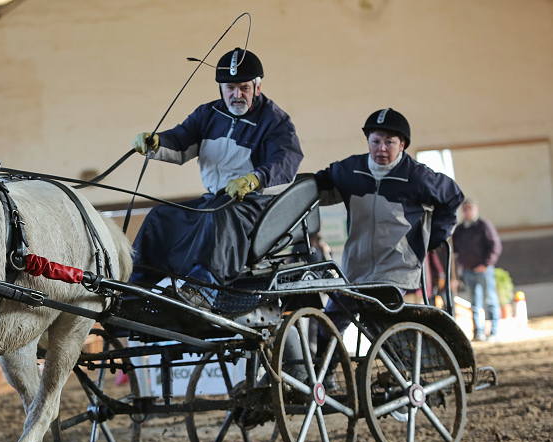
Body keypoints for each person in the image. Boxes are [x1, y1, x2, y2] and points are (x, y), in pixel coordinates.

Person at [128, 47, 304, 309]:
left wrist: (253, 180)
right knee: (160, 216)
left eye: (244, 87)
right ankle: (137, 288)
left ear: (257, 86)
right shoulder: (207, 115)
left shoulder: (275, 121)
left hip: (254, 205)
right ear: (220, 87)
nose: (237, 95)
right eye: (230, 88)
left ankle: (203, 290)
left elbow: (286, 161)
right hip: (214, 200)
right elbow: (179, 140)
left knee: (220, 214)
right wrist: (156, 142)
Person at [314, 108, 465, 338]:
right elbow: (316, 184)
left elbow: (452, 196)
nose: (381, 149)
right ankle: (325, 372)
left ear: (402, 144)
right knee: (329, 320)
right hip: (356, 268)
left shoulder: (416, 176)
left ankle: (395, 363)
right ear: (368, 141)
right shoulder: (350, 170)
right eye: (375, 141)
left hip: (397, 268)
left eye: (389, 142)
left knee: (378, 320)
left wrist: (433, 239)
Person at [452, 198, 502, 341]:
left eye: (469, 208)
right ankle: (478, 331)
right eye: (464, 209)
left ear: (476, 209)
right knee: (475, 303)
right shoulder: (460, 229)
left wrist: (486, 264)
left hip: (484, 270)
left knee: (490, 300)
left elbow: (495, 246)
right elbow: (455, 248)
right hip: (468, 270)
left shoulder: (484, 225)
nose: (467, 211)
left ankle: (494, 331)